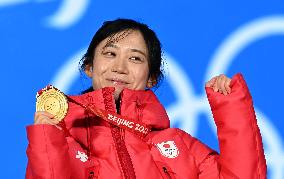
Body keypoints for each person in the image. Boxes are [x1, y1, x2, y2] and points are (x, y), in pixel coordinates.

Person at [26, 19, 267, 179]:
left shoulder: (181, 146)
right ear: (89, 66)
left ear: (151, 77)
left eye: (135, 58)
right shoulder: (64, 140)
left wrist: (232, 109)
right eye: (110, 54)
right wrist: (47, 142)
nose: (119, 68)